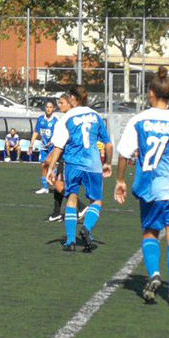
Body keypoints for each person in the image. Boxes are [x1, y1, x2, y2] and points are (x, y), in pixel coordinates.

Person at [114, 66, 169, 307]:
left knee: (150, 232)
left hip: (151, 188)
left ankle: (154, 272)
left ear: (151, 92)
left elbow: (123, 154)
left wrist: (120, 180)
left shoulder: (139, 120)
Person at [47, 85, 113, 252]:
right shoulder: (96, 116)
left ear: (73, 99)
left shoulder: (66, 118)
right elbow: (108, 143)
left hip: (73, 164)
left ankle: (70, 241)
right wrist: (108, 163)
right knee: (96, 201)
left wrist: (51, 168)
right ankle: (87, 228)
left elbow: (58, 147)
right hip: (93, 164)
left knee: (71, 199)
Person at [47, 93, 87, 222]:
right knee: (58, 184)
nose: (59, 105)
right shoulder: (74, 119)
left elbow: (62, 144)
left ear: (70, 104)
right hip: (70, 156)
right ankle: (56, 213)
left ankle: (81, 207)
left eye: (62, 103)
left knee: (59, 185)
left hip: (67, 157)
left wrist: (51, 162)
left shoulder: (67, 120)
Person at [29, 99, 58, 194]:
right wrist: (31, 144)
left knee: (48, 163)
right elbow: (36, 132)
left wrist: (53, 141)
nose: (48, 109)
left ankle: (59, 180)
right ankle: (45, 187)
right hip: (44, 146)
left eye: (50, 107)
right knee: (44, 166)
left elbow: (59, 134)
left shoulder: (56, 120)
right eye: (47, 107)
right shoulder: (40, 119)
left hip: (53, 146)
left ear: (54, 109)